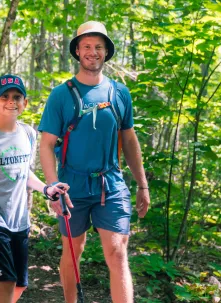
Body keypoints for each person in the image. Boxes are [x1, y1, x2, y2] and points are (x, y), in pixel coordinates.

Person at [38, 21, 150, 303]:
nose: (93, 52)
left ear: (106, 52)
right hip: (71, 185)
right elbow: (47, 144)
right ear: (77, 51)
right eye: (86, 46)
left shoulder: (120, 93)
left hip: (110, 184)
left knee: (117, 251)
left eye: (98, 46)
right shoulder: (61, 94)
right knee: (73, 251)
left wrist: (142, 185)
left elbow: (129, 140)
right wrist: (53, 187)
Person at [0, 74, 71, 303]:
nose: (11, 101)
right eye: (4, 96)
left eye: (17, 97)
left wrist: (47, 189)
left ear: (25, 103)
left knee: (20, 284)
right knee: (7, 281)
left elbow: (24, 173)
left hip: (19, 220)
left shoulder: (28, 134)